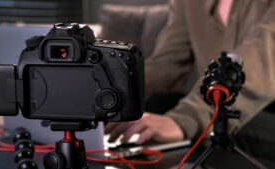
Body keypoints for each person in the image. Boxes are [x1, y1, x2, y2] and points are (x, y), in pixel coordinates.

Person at [105, 0, 275, 148]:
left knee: (223, 131)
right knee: (152, 106)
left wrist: (185, 120)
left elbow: (263, 52)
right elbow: (169, 59)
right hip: (218, 104)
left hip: (265, 110)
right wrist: (112, 94)